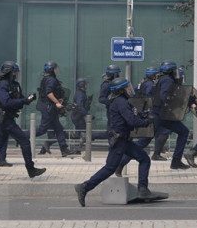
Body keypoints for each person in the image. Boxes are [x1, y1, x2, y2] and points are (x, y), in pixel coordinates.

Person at [74, 77, 165, 207]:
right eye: (127, 87)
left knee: (144, 158)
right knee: (110, 168)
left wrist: (144, 114)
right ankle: (84, 187)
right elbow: (132, 121)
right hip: (119, 141)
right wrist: (147, 122)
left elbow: (133, 114)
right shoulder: (121, 102)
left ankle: (143, 190)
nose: (130, 89)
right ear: (121, 90)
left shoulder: (122, 101)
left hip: (124, 140)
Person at [36, 61, 73, 157]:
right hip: (49, 107)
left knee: (59, 129)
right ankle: (22, 136)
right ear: (52, 70)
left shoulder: (46, 79)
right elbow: (49, 93)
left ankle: (64, 150)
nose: (57, 70)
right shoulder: (51, 80)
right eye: (56, 68)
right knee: (42, 130)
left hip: (50, 108)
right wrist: (57, 103)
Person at [94, 65, 122, 141]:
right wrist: (111, 102)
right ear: (114, 74)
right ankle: (91, 136)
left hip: (117, 110)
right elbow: (101, 98)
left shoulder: (115, 83)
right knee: (111, 130)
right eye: (117, 74)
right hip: (111, 110)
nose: (119, 76)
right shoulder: (106, 84)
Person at [70, 78, 92, 153]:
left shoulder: (82, 93)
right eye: (85, 84)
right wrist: (87, 114)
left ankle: (77, 149)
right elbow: (79, 106)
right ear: (82, 85)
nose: (87, 86)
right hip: (77, 116)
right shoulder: (80, 94)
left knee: (79, 133)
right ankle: (76, 148)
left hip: (78, 116)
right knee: (85, 132)